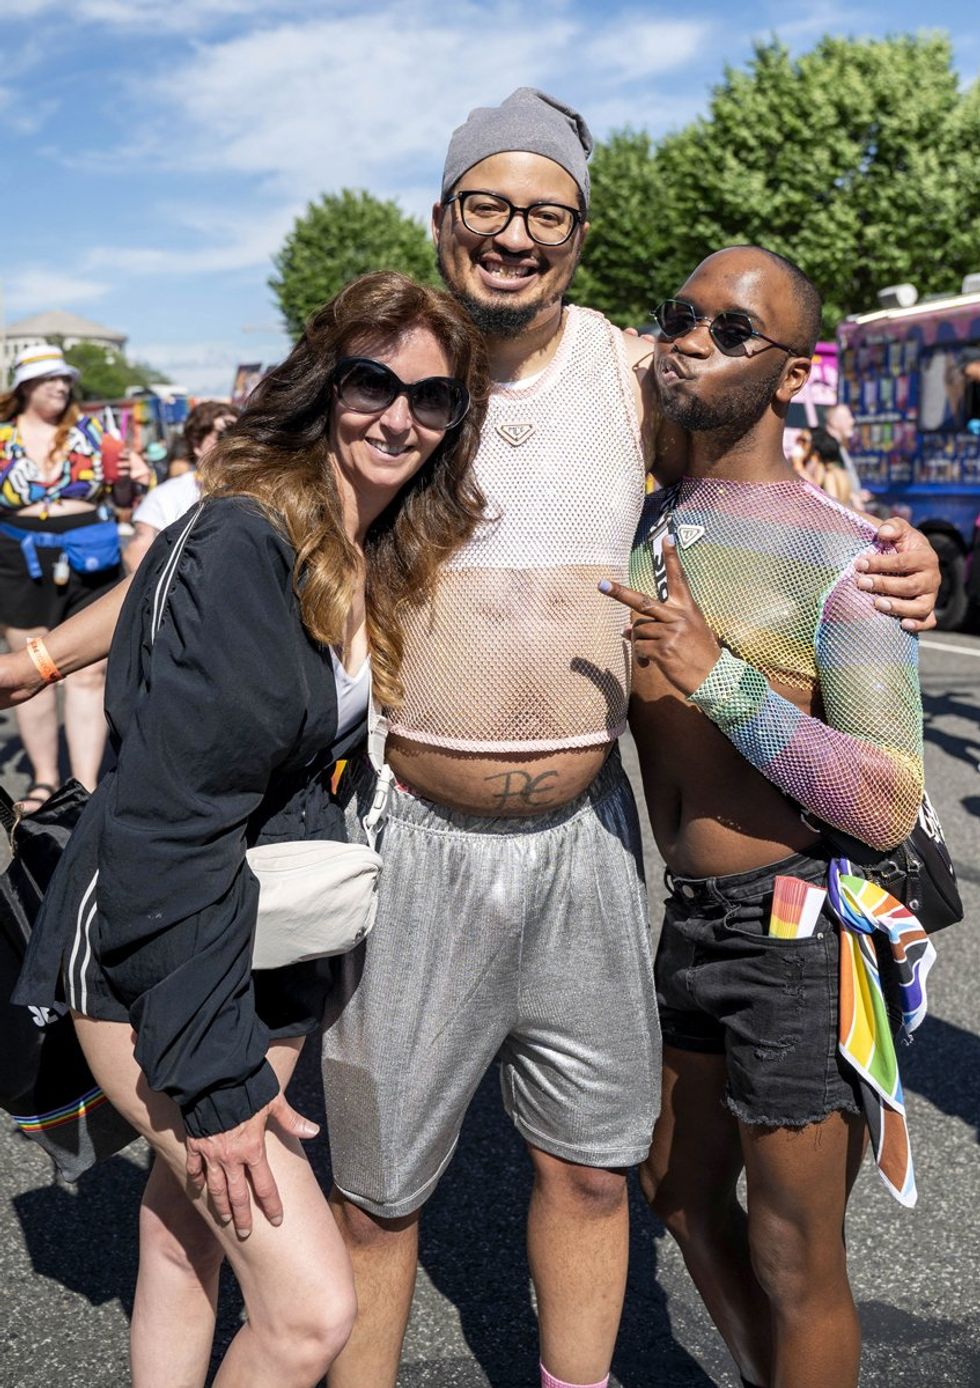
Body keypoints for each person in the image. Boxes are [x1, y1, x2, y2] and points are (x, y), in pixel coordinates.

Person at [0, 92, 942, 1388]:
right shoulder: (386, 377)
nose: (514, 234)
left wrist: (898, 553)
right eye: (486, 206)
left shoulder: (627, 370)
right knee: (380, 1200)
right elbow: (223, 528)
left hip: (587, 843)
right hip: (412, 838)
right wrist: (49, 653)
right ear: (445, 219)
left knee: (592, 1172)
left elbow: (758, 479)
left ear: (577, 231)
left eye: (543, 211)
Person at [13, 271, 489, 1388]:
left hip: (263, 935)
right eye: (373, 380)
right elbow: (169, 828)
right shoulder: (243, 543)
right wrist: (219, 1084)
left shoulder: (362, 542)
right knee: (312, 1309)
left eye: (432, 399)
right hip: (153, 948)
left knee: (187, 1223)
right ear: (324, 385)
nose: (398, 415)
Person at [601, 247, 924, 1388]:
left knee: (797, 1262)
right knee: (676, 1193)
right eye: (678, 316)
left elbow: (887, 797)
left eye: (732, 331)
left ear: (791, 373)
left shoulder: (841, 557)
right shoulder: (633, 516)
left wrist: (718, 676)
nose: (691, 339)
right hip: (683, 920)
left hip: (797, 939)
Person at [0, 343, 149, 810]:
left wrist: (131, 477)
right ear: (25, 386)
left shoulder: (94, 432)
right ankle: (44, 779)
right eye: (50, 379)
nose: (61, 387)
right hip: (19, 557)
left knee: (89, 669)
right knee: (28, 665)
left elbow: (124, 495)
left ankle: (82, 787)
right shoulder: (2, 437)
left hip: (92, 556)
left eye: (65, 379)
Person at [124, 400, 241, 571]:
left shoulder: (257, 491)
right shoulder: (165, 496)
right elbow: (135, 557)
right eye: (223, 435)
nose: (232, 443)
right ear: (197, 444)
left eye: (238, 434)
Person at [803, 424, 855, 506]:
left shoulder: (829, 475)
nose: (800, 445)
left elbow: (833, 506)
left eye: (803, 441)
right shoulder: (840, 472)